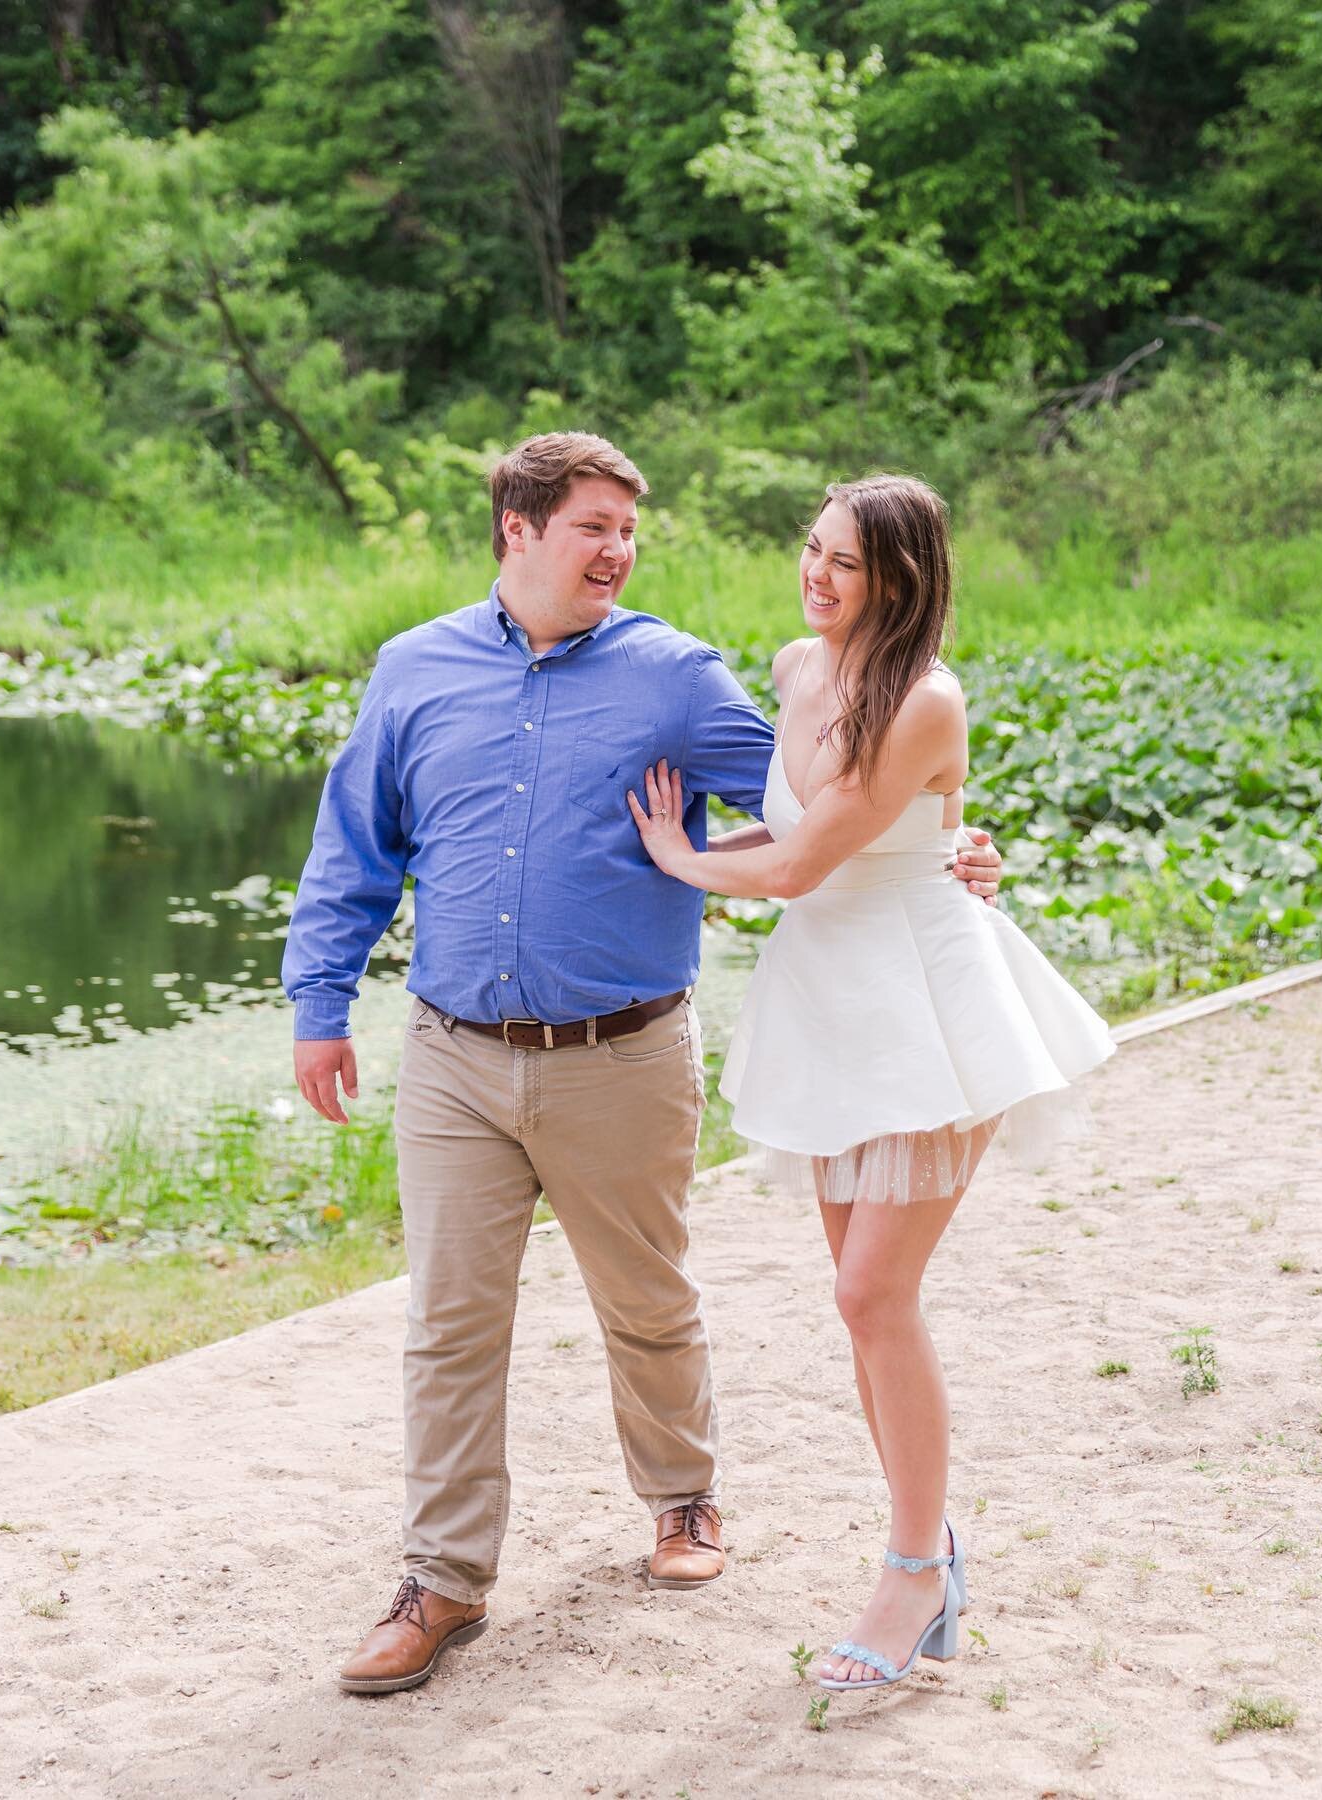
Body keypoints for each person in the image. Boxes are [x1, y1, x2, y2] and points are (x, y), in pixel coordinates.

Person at [282, 434, 1005, 1695]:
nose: (618, 549)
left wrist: (951, 847)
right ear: (518, 529)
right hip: (453, 1048)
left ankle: (683, 1499)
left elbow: (816, 799)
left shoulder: (677, 677)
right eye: (593, 527)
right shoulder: (413, 671)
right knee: (447, 1322)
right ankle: (443, 1580)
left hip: (621, 1050)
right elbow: (357, 845)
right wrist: (317, 1002)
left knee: (648, 1297)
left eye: (629, 528)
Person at [628, 473, 1115, 1693]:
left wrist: (681, 857)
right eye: (812, 549)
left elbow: (800, 864)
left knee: (870, 1294)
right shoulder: (800, 668)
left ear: (902, 576)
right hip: (830, 1011)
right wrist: (685, 845)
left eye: (846, 560)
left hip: (927, 1006)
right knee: (861, 1304)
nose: (818, 574)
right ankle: (930, 1552)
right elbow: (798, 834)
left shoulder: (926, 698)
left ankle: (910, 1569)